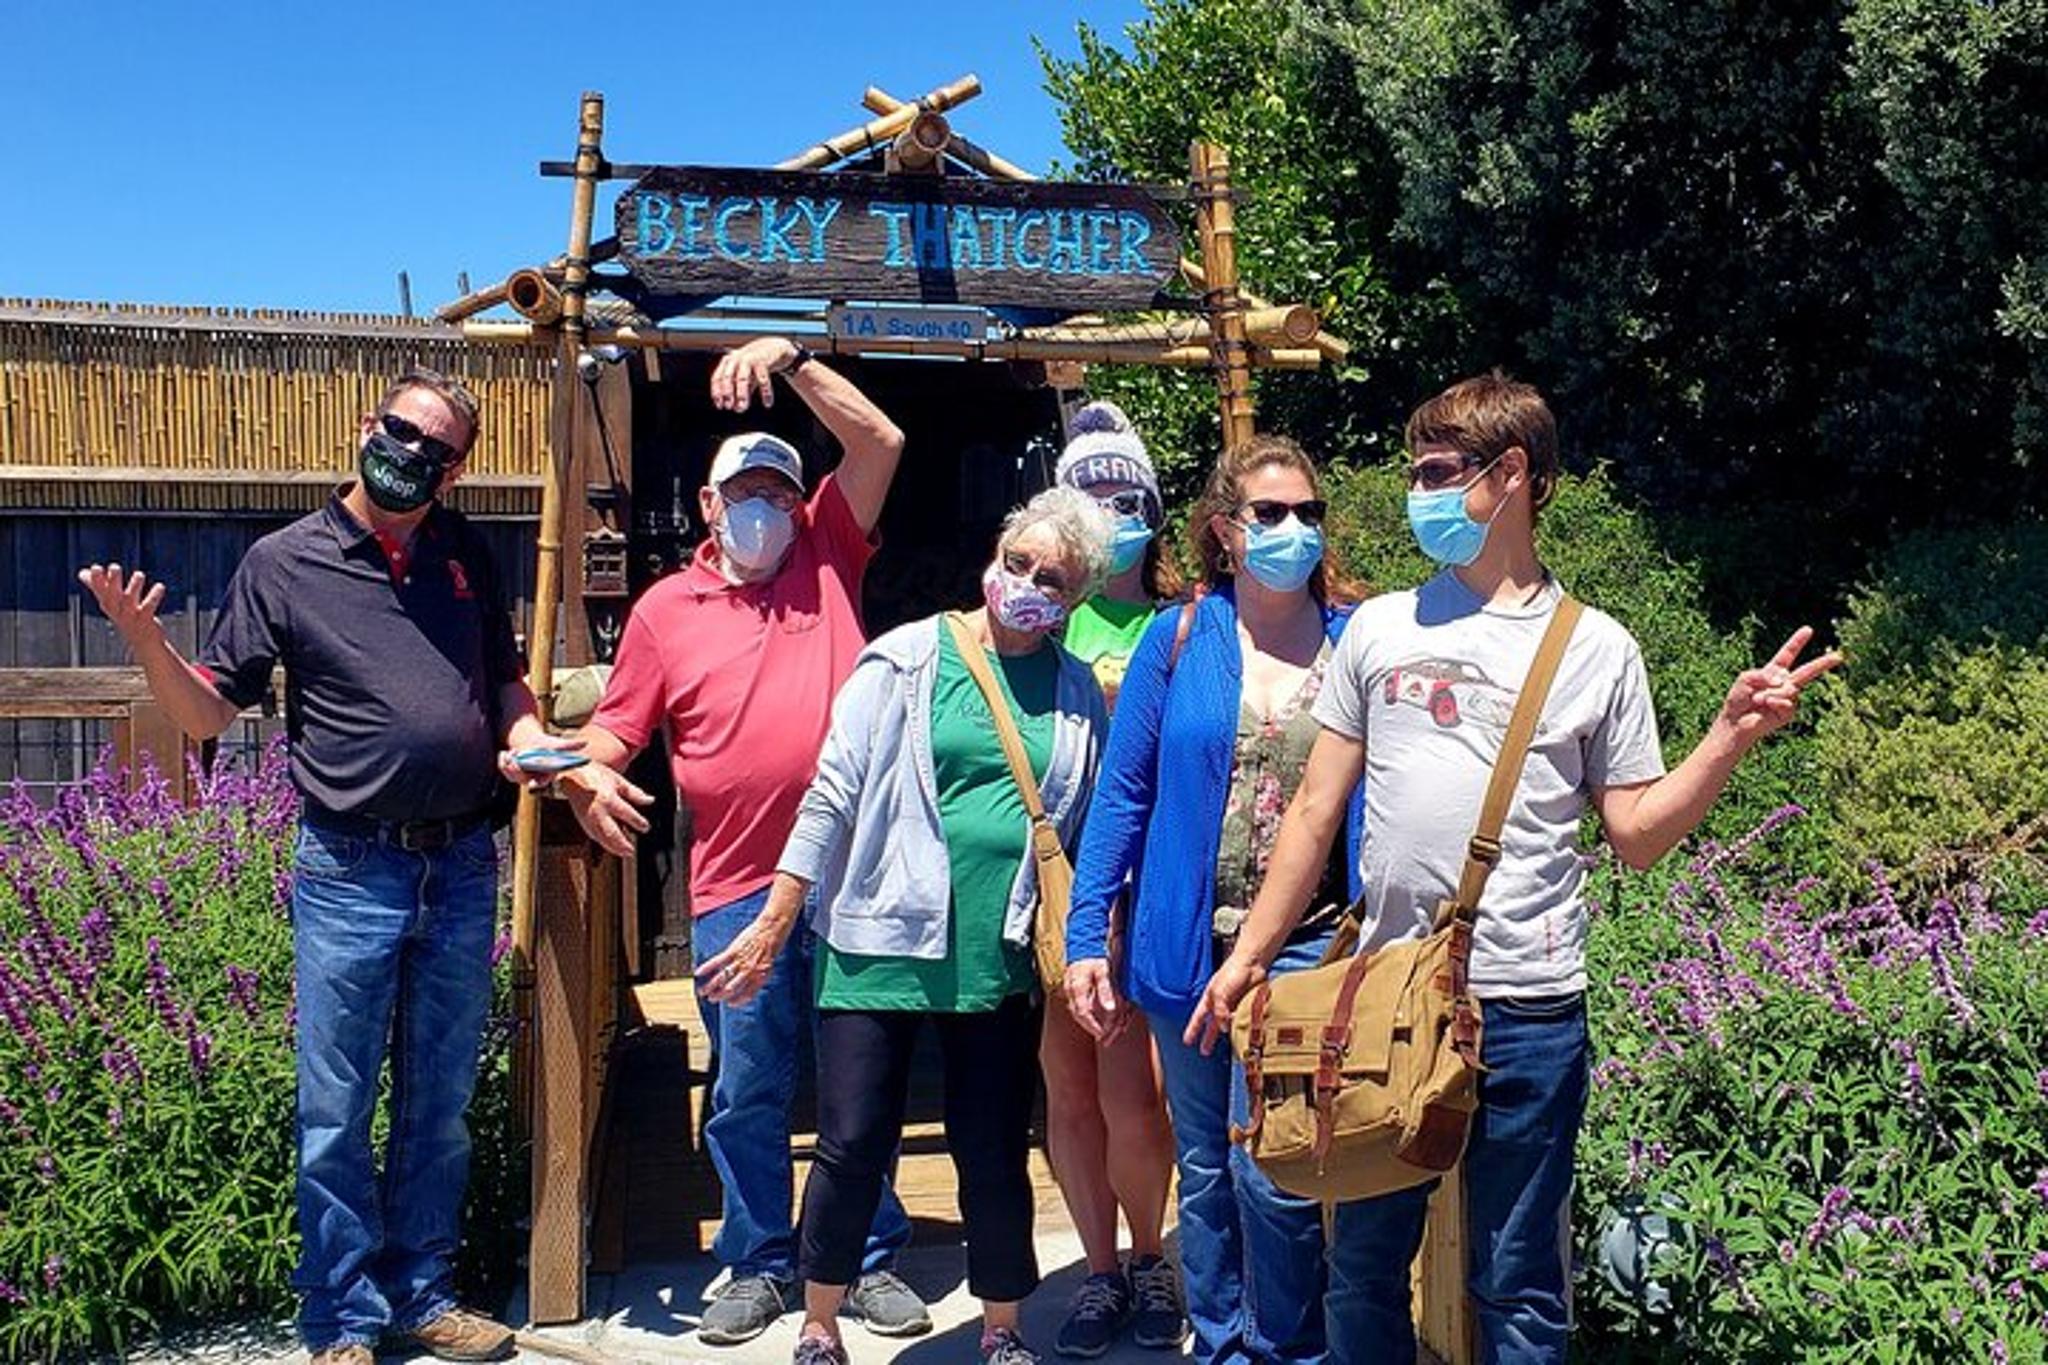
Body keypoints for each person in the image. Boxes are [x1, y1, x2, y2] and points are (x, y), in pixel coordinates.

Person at [1188, 373, 1840, 1363]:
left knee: (1515, 1277)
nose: (1418, 492)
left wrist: (1725, 740)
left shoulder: (1595, 649)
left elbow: (1635, 834)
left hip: (1526, 1006)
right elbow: (1314, 812)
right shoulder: (1378, 628)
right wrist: (1249, 960)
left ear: (1511, 474)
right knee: (1360, 1266)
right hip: (1386, 999)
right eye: (1414, 472)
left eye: (1437, 472)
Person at [78, 368, 554, 1365]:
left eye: (435, 447)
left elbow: (503, 681)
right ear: (364, 424)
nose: (410, 453)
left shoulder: (464, 552)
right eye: (399, 430)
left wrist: (531, 739)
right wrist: (146, 646)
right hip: (350, 870)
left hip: (463, 864)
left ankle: (422, 1294)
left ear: (458, 469)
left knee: (441, 1100)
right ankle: (340, 1318)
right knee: (335, 1106)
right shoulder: (284, 563)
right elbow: (211, 710)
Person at [553, 337, 927, 1344]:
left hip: (857, 879)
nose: (762, 506)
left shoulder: (827, 552)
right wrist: (584, 771)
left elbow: (878, 436)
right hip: (735, 887)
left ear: (799, 504)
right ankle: (760, 1259)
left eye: (778, 489)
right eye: (744, 491)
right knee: (748, 1086)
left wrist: (794, 355)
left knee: (861, 1081)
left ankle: (862, 1255)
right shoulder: (664, 611)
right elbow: (616, 729)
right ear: (710, 506)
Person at [697, 485, 1114, 1365]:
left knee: (994, 1149)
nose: (1028, 582)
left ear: (1073, 600)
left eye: (1053, 578)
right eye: (1020, 561)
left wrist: (1090, 939)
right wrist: (778, 916)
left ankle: (1003, 1327)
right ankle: (819, 1323)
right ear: (996, 556)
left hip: (996, 954)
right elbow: (833, 791)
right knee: (851, 1141)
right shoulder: (907, 656)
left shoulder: (1079, 690)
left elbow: (1086, 821)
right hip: (878, 942)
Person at [1066, 434, 1366, 1365]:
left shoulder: (1359, 637)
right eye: (1269, 513)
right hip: (1183, 953)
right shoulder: (1179, 634)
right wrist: (1086, 935)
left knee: (1273, 1165)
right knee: (1202, 1161)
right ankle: (1226, 1337)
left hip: (1309, 950)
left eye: (1307, 514)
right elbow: (1123, 791)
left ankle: (1288, 1345)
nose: (1291, 530)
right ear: (1224, 530)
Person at [1038, 401, 1184, 1356]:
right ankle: (1097, 1272)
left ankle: (1150, 1258)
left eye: (1124, 494)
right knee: (1068, 1091)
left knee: (1137, 1095)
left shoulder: (1185, 623)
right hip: (1049, 884)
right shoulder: (1037, 607)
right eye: (1088, 493)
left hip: (1143, 881)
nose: (1107, 512)